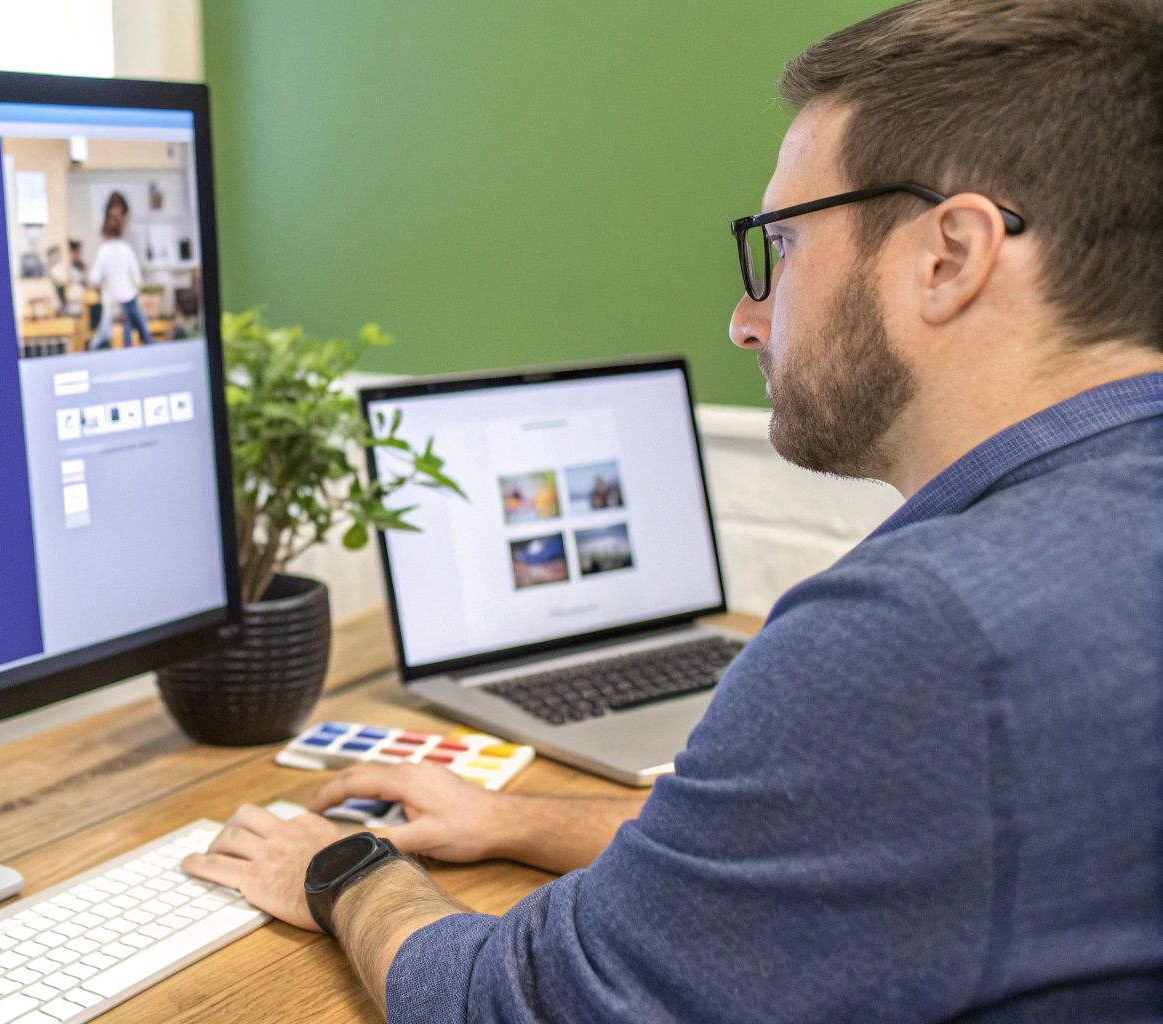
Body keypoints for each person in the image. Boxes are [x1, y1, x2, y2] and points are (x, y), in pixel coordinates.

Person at [180, 1, 1163, 1020]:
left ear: (948, 256)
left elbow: (517, 1003)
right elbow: (831, 848)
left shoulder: (921, 633)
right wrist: (514, 819)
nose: (744, 321)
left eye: (777, 249)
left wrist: (347, 868)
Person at [89, 191, 150, 349]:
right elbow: (137, 279)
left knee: (120, 337)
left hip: (117, 302)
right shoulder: (123, 249)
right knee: (140, 337)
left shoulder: (109, 249)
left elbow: (93, 279)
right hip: (121, 301)